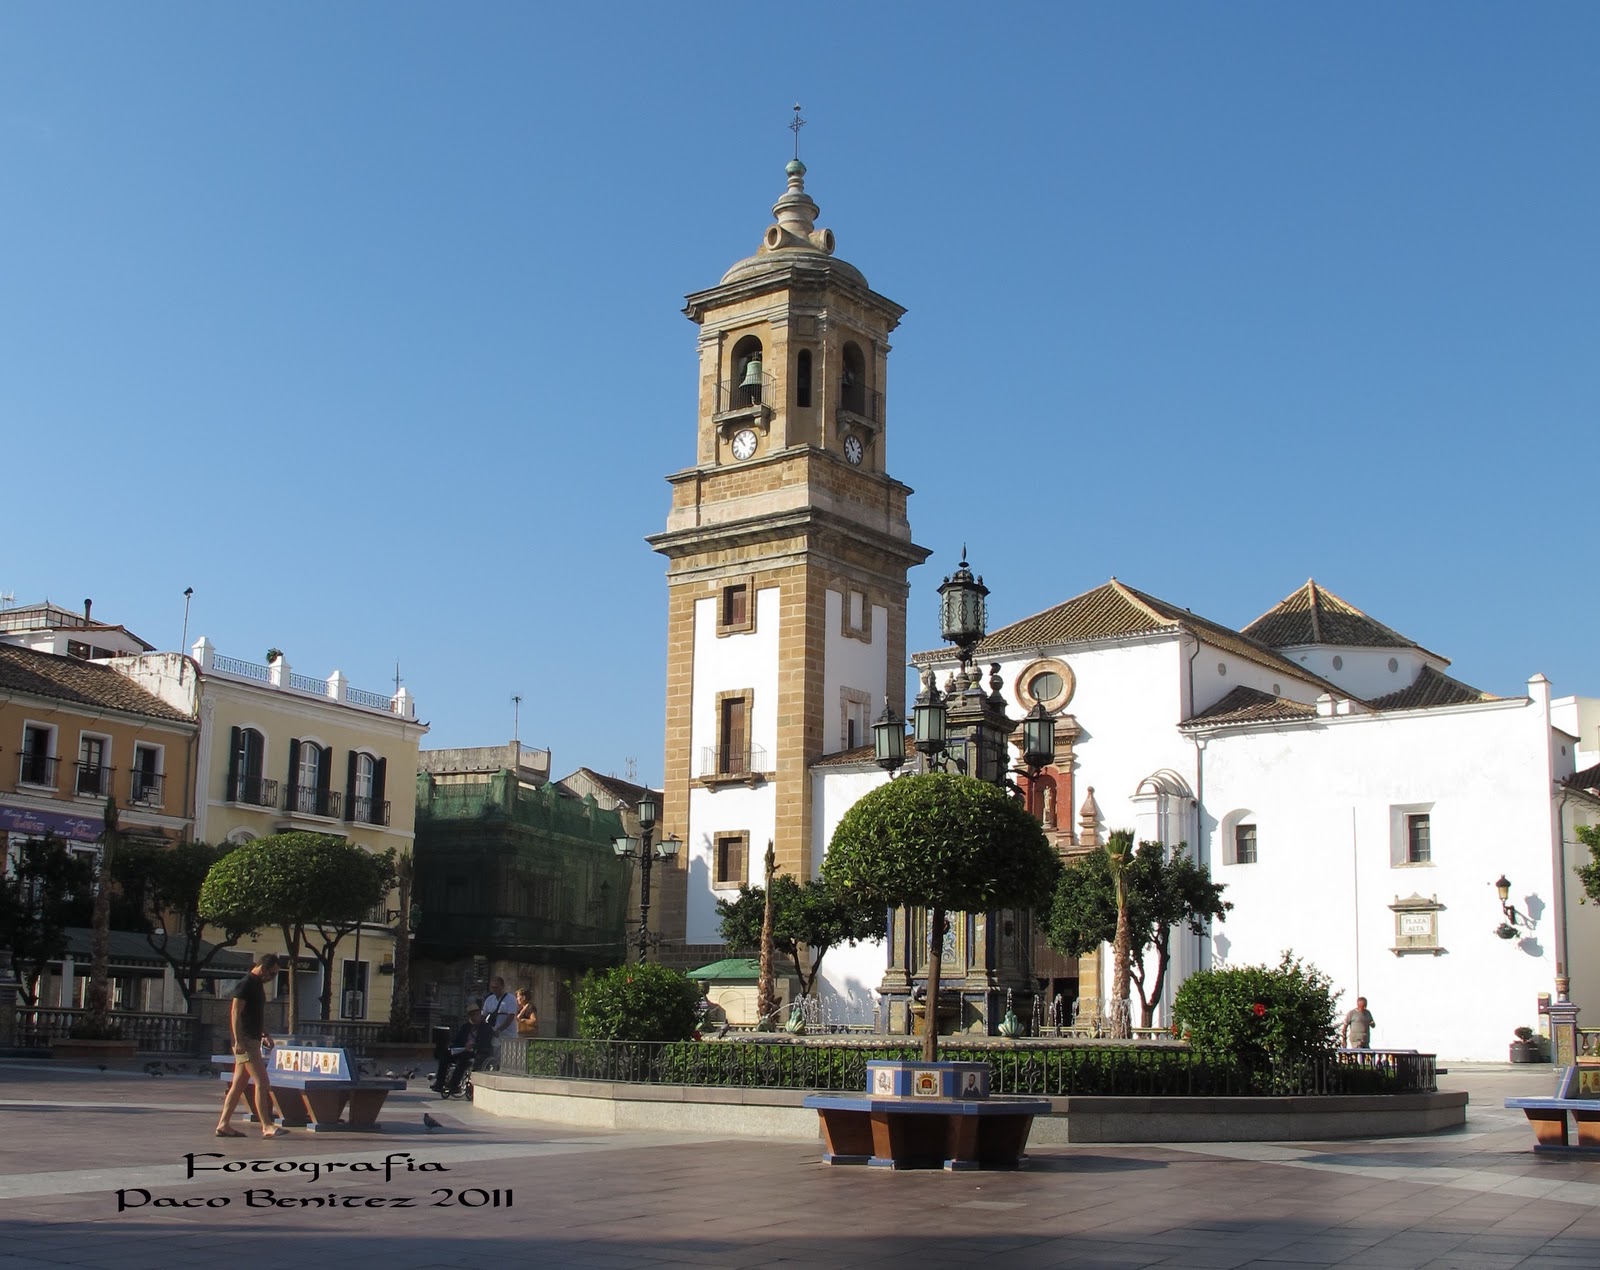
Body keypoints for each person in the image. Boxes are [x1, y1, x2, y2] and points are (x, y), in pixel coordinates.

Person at [215, 953, 287, 1139]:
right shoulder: (246, 984)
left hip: (252, 1038)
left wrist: (264, 1033)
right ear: (262, 968)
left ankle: (223, 1125)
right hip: (246, 1041)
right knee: (262, 1081)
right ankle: (266, 1125)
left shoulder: (257, 985)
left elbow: (253, 1014)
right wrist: (238, 1040)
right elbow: (235, 1012)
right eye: (272, 974)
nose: (272, 978)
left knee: (238, 1085)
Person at [431, 1005, 483, 1096]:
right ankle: (440, 1082)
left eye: (475, 1015)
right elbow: (457, 1041)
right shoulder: (465, 1027)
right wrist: (456, 1047)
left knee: (463, 1060)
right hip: (462, 1050)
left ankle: (454, 1084)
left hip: (475, 1053)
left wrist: (473, 1045)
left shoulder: (485, 1028)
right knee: (444, 1055)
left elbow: (485, 1043)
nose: (473, 1018)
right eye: (471, 1015)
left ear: (479, 1015)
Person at [481, 975, 517, 1053]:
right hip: (493, 1036)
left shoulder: (510, 998)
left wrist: (499, 1030)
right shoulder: (489, 999)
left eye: (496, 987)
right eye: (492, 987)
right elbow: (483, 1015)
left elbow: (510, 1016)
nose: (494, 990)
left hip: (508, 1036)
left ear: (502, 986)